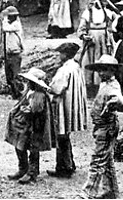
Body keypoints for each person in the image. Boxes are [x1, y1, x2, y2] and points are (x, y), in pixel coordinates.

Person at [82, 55, 123, 199]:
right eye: (99, 70)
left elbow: (119, 98)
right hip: (101, 126)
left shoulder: (113, 86)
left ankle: (88, 193)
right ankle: (110, 191)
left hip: (107, 126)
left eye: (104, 70)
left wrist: (113, 102)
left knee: (98, 160)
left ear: (112, 70)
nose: (100, 73)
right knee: (106, 160)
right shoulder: (104, 84)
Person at [4, 67, 54, 184]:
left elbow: (36, 110)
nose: (28, 83)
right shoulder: (29, 91)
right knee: (19, 145)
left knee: (33, 148)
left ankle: (32, 173)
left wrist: (28, 110)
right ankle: (23, 169)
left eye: (30, 81)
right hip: (26, 122)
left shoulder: (39, 95)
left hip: (35, 124)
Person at [48, 42, 87, 179]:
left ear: (65, 54)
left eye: (61, 53)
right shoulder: (76, 66)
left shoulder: (64, 70)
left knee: (61, 136)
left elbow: (57, 88)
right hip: (72, 105)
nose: (59, 56)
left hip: (63, 105)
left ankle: (64, 168)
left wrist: (48, 88)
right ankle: (69, 164)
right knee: (65, 135)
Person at [77, 0, 115, 97]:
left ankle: (101, 86)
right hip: (91, 42)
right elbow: (81, 29)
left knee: (103, 61)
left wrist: (109, 36)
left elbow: (112, 27)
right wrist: (84, 36)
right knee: (89, 61)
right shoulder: (87, 13)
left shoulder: (108, 13)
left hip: (103, 41)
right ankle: (90, 87)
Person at [0, 6, 24, 99]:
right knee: (9, 76)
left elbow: (5, 28)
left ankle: (19, 93)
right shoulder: (10, 24)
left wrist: (3, 19)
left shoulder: (16, 25)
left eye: (11, 16)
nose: (10, 18)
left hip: (15, 53)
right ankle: (14, 93)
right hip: (9, 53)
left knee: (16, 75)